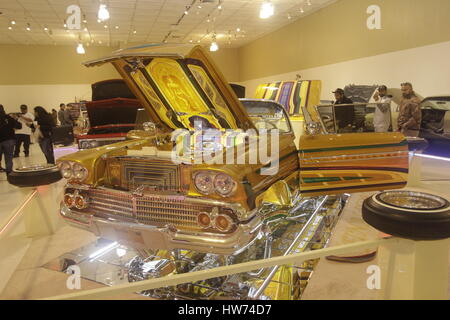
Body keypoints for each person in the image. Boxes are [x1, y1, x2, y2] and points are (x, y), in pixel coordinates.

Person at [0, 105, 22, 175]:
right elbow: (19, 126)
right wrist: (15, 119)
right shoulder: (8, 118)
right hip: (9, 140)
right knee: (8, 158)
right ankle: (9, 174)